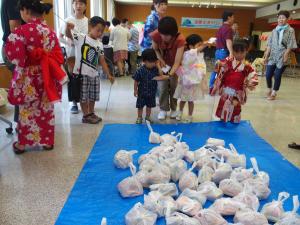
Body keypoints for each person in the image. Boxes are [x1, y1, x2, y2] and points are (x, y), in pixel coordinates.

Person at [5, 0, 67, 154]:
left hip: (28, 79)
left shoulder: (20, 32)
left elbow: (14, 57)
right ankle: (47, 142)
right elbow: (58, 56)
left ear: (25, 11)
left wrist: (30, 57)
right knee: (46, 109)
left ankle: (22, 144)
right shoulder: (50, 32)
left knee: (26, 110)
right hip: (46, 76)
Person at [66, 16, 115, 124]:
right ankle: (86, 115)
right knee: (83, 96)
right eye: (98, 30)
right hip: (82, 74)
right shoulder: (81, 38)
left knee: (93, 95)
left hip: (94, 74)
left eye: (102, 31)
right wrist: (68, 28)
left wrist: (109, 75)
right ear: (90, 27)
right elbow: (69, 35)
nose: (100, 33)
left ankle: (91, 112)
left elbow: (102, 61)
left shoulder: (100, 44)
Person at [211, 39, 259, 123]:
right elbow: (219, 67)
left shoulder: (247, 67)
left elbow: (253, 76)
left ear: (246, 51)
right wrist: (218, 64)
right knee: (224, 110)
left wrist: (251, 82)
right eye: (236, 52)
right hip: (226, 90)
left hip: (238, 92)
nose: (239, 55)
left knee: (235, 111)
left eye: (242, 52)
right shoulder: (228, 61)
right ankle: (223, 124)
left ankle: (233, 124)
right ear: (233, 51)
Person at [151, 16, 185, 120]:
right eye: (162, 34)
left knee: (174, 87)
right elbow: (155, 49)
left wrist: (169, 75)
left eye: (167, 35)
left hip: (175, 66)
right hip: (162, 64)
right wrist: (160, 60)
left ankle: (174, 109)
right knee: (162, 88)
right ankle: (163, 109)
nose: (164, 37)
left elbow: (177, 62)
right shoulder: (156, 35)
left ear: (173, 33)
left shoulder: (180, 39)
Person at [59, 0, 88, 114]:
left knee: (84, 78)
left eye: (81, 4)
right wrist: (68, 43)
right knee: (73, 79)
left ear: (85, 6)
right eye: (76, 3)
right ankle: (74, 103)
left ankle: (84, 101)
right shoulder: (67, 20)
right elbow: (59, 37)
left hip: (84, 53)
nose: (78, 6)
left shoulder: (88, 21)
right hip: (72, 55)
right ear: (72, 6)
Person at [174, 34, 209, 123]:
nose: (200, 47)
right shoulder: (187, 53)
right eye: (198, 45)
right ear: (190, 46)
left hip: (194, 82)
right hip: (186, 81)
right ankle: (180, 112)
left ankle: (190, 116)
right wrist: (204, 45)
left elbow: (202, 65)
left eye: (200, 45)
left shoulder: (199, 55)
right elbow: (193, 53)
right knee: (182, 99)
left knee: (191, 100)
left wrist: (202, 74)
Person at [263, 10, 297, 101]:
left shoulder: (290, 30)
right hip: (273, 55)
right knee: (268, 74)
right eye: (279, 18)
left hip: (282, 55)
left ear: (287, 19)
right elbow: (269, 44)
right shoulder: (274, 30)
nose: (281, 19)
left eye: (283, 18)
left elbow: (291, 43)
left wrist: (286, 54)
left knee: (277, 75)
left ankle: (274, 93)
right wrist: (266, 56)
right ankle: (269, 89)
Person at [1, 0, 23, 123]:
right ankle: (23, 123)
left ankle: (24, 122)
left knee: (23, 83)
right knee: (23, 83)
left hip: (13, 46)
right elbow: (15, 28)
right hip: (14, 47)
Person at [133, 49, 166, 124]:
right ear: (144, 61)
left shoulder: (155, 69)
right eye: (150, 62)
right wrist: (135, 90)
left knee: (149, 106)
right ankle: (139, 117)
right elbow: (136, 80)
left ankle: (148, 117)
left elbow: (161, 74)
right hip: (141, 93)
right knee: (140, 106)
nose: (152, 64)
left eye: (153, 62)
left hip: (151, 93)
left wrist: (158, 65)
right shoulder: (140, 70)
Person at [209, 11, 235, 92]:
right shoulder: (228, 28)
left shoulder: (220, 28)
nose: (233, 19)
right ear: (229, 17)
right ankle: (221, 88)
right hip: (224, 52)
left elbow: (217, 41)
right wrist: (231, 52)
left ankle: (211, 87)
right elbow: (228, 41)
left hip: (217, 51)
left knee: (216, 70)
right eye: (233, 17)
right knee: (225, 71)